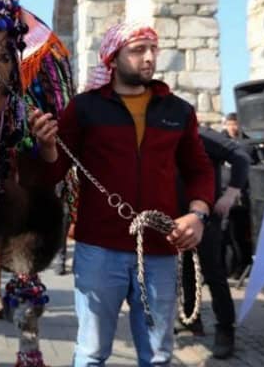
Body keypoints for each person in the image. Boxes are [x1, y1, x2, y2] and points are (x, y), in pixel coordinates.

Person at [29, 22, 214, 367]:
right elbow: (52, 172)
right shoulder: (84, 108)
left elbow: (199, 169)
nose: (149, 58)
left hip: (160, 249)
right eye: (138, 50)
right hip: (99, 250)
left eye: (152, 49)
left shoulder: (178, 111)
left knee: (158, 355)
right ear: (113, 59)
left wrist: (197, 213)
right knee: (92, 352)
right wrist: (47, 146)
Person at [178, 126, 251, 359]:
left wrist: (230, 194)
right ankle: (192, 318)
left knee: (213, 271)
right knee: (188, 267)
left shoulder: (202, 134)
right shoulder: (163, 134)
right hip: (180, 215)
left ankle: (225, 329)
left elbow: (240, 156)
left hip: (206, 214)